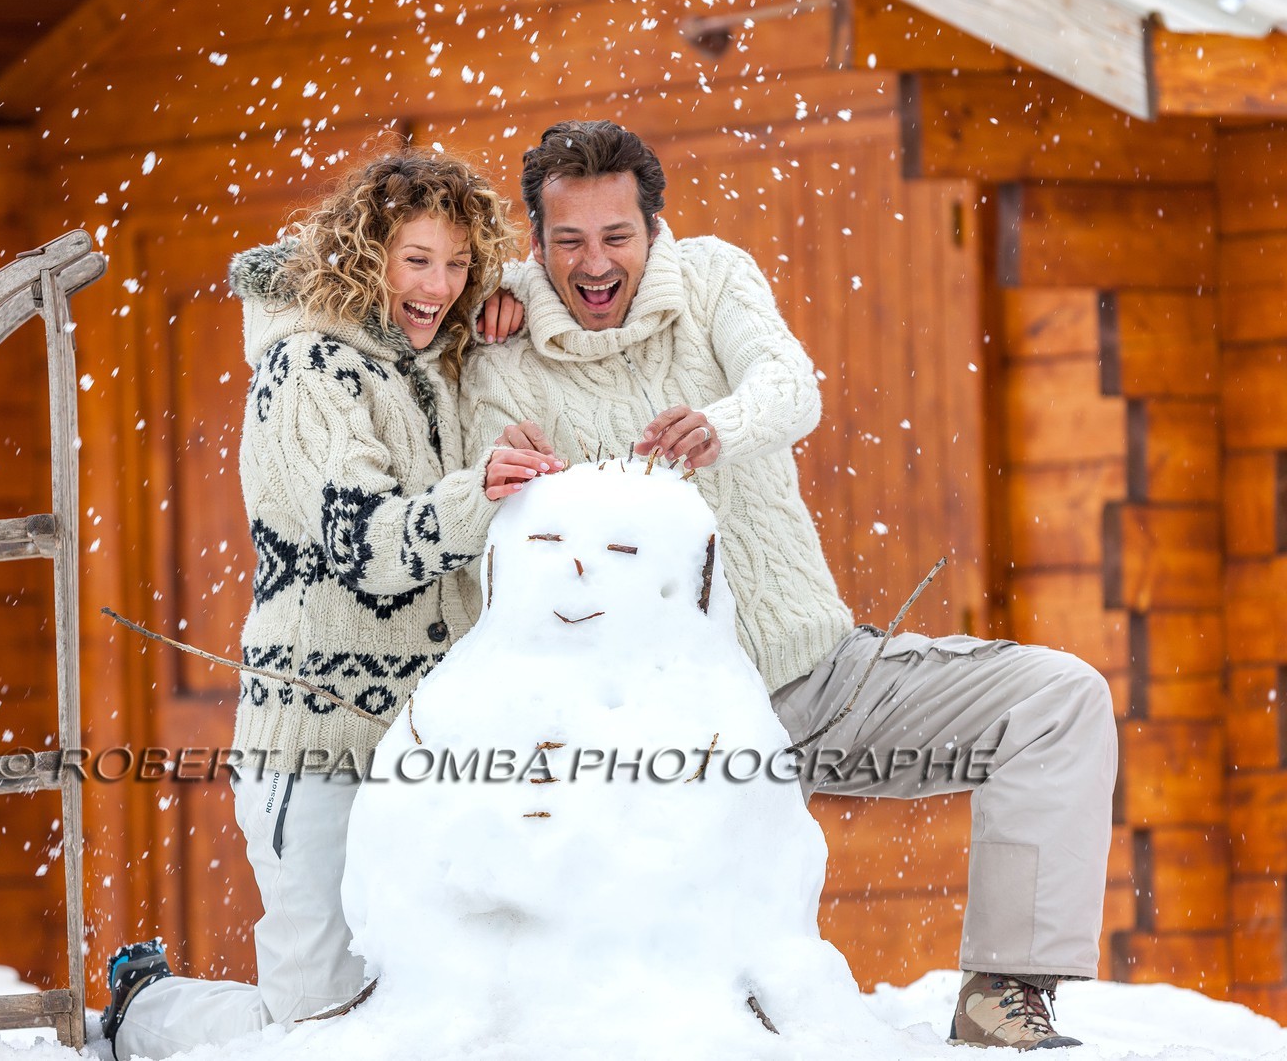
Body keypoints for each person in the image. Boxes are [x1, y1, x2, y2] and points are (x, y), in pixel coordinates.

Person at [463, 120, 1116, 1052]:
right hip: (662, 736)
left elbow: (791, 384)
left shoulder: (716, 277)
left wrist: (721, 425)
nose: (595, 262)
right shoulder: (501, 341)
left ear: (656, 230)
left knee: (1058, 701)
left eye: (617, 237)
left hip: (819, 683)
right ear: (536, 245)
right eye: (568, 241)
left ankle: (1002, 996)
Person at [100, 151, 553, 1060]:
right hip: (314, 745)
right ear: (365, 255)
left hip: (426, 751)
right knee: (316, 1026)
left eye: (460, 264)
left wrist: (509, 311)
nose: (440, 285)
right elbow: (363, 547)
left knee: (434, 1007)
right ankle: (142, 1016)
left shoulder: (429, 364)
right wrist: (480, 495)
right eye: (418, 260)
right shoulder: (304, 372)